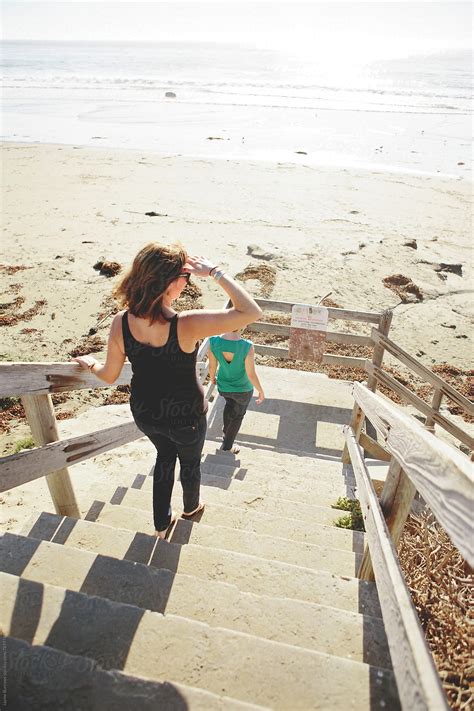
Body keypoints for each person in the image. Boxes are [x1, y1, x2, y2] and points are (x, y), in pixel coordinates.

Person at [72, 243, 262, 539]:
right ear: (170, 282)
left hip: (146, 413)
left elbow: (108, 375)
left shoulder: (121, 322)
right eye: (185, 277)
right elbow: (251, 310)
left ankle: (161, 525)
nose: (187, 283)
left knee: (163, 457)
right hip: (186, 416)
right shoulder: (187, 324)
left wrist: (92, 364)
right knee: (189, 463)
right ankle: (191, 508)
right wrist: (214, 272)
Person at [208, 328, 264, 454]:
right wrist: (260, 390)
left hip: (223, 385)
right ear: (242, 325)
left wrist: (212, 378)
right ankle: (227, 446)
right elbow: (251, 374)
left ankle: (226, 434)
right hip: (243, 389)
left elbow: (212, 366)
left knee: (229, 405)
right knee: (238, 416)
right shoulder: (246, 346)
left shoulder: (214, 341)